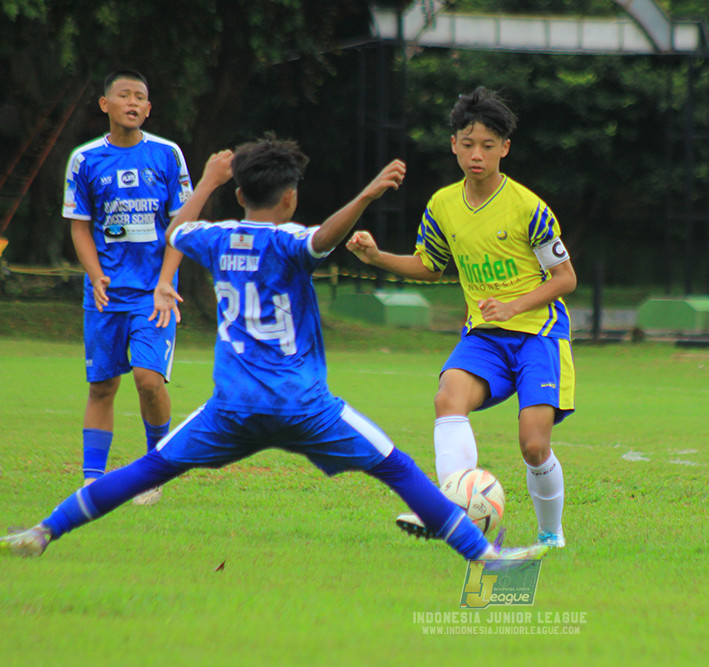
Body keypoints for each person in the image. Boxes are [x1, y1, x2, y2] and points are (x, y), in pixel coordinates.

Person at [1, 136, 547, 563]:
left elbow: (175, 231)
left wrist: (209, 181)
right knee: (398, 469)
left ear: (238, 194)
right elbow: (325, 238)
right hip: (305, 406)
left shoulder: (213, 238)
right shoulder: (288, 242)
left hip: (232, 409)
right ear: (290, 199)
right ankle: (487, 555)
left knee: (149, 469)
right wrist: (367, 194)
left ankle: (44, 530)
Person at [346, 86, 576, 549]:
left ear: (504, 149)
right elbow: (429, 265)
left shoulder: (529, 208)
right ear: (453, 144)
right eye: (468, 144)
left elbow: (565, 278)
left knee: (534, 445)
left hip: (539, 333)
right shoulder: (443, 205)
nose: (477, 155)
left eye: (488, 146)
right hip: (485, 337)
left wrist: (513, 305)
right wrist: (376, 258)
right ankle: (450, 508)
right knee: (447, 398)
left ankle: (552, 535)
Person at [62, 69, 193, 505]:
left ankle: (155, 469)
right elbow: (80, 226)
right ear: (106, 105)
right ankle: (92, 479)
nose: (133, 103)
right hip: (105, 293)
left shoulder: (167, 155)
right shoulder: (84, 160)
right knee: (101, 386)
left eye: (140, 97)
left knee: (148, 379)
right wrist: (95, 273)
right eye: (124, 95)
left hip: (154, 292)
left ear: (148, 109)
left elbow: (181, 225)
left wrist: (165, 282)